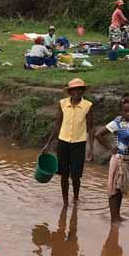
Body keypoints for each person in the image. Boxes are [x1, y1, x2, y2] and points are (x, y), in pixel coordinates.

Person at [42, 78, 94, 206]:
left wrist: (91, 148)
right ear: (70, 92)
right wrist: (48, 144)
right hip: (63, 143)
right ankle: (65, 202)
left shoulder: (88, 106)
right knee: (64, 175)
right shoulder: (62, 104)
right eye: (74, 90)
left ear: (83, 91)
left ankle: (75, 198)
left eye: (79, 89)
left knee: (76, 176)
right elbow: (57, 124)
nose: (77, 92)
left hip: (79, 144)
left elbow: (91, 127)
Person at [95, 95, 129, 223]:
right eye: (125, 111)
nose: (128, 113)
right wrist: (110, 147)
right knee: (114, 190)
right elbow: (98, 134)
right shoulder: (117, 122)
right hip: (119, 160)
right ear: (121, 111)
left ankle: (117, 216)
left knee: (120, 189)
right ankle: (114, 219)